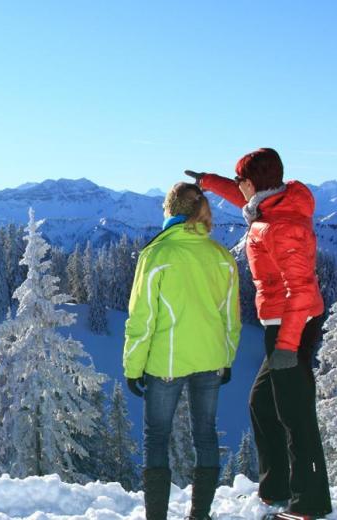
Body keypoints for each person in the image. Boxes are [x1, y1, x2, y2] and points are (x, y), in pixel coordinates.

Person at [187, 148, 332, 520]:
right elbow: (241, 198)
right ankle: (275, 489)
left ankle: (309, 504)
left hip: (291, 325)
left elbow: (301, 290)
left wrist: (287, 345)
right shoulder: (271, 205)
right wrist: (207, 182)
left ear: (253, 183)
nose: (238, 187)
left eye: (240, 180)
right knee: (263, 404)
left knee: (295, 415)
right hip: (283, 323)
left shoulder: (282, 225)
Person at [123, 182, 241, 520]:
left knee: (157, 437)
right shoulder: (221, 256)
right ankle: (199, 514)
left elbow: (142, 318)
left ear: (169, 210)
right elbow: (231, 317)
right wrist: (226, 358)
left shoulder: (157, 255)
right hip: (211, 359)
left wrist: (133, 367)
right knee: (205, 434)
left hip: (167, 363)